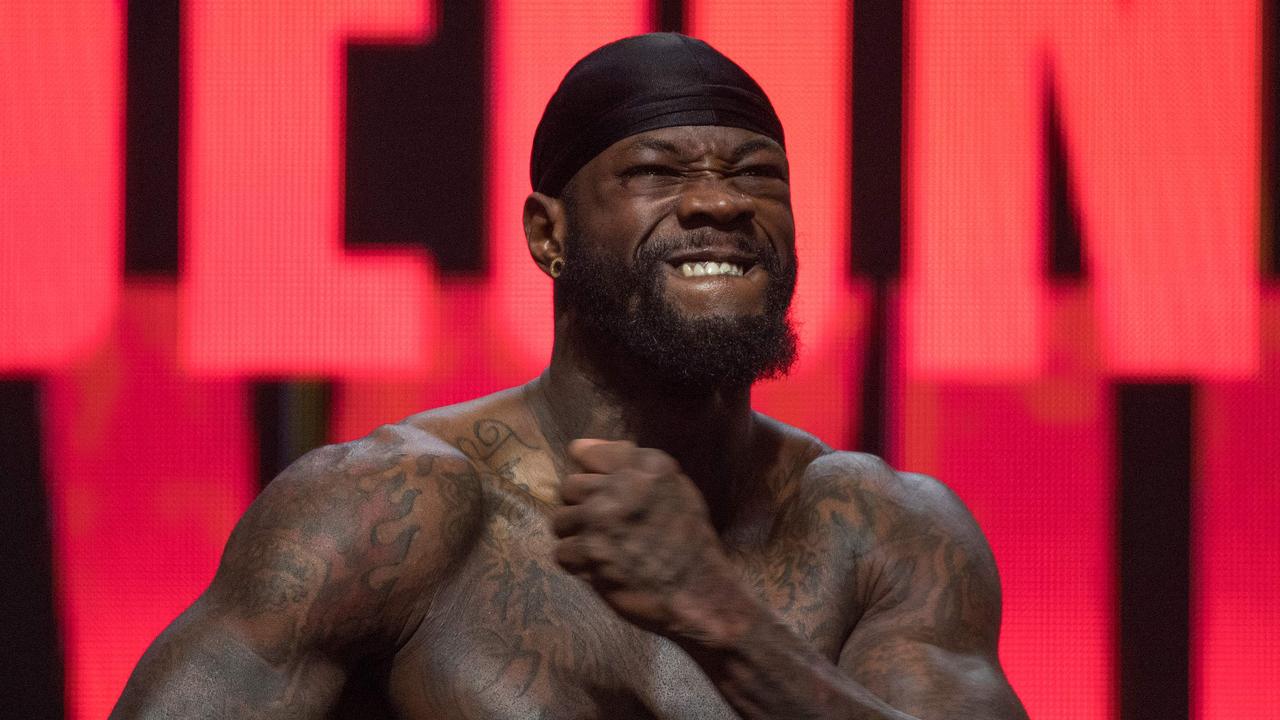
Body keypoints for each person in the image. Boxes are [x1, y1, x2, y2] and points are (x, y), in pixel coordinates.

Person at [112, 33, 1028, 719]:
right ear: (548, 236)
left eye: (758, 174)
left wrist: (723, 621)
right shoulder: (393, 511)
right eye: (657, 171)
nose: (721, 201)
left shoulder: (877, 531)